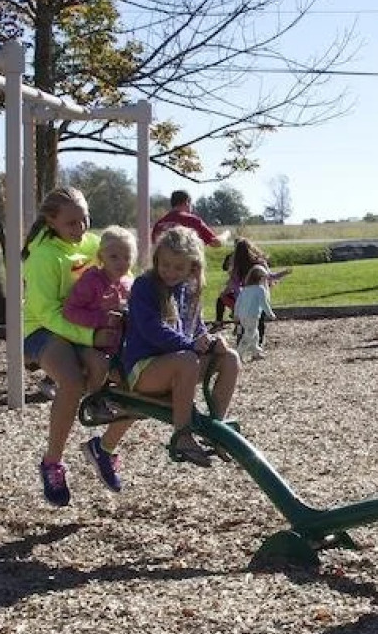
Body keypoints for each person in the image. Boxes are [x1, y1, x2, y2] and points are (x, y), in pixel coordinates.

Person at [23, 187, 134, 506]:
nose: (81, 228)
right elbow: (48, 313)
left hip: (87, 324)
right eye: (72, 223)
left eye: (85, 219)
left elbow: (121, 270)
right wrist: (91, 337)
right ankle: (52, 463)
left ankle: (104, 447)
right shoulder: (43, 256)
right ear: (51, 221)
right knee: (71, 381)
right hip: (45, 329)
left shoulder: (91, 243)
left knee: (133, 373)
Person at [115, 225, 241, 467]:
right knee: (186, 359)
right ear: (157, 259)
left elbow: (196, 326)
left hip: (180, 363)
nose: (170, 272)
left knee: (230, 358)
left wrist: (211, 341)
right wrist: (192, 345)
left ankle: (216, 427)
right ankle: (182, 435)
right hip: (143, 369)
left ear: (193, 267)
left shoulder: (190, 289)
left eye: (179, 267)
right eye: (165, 265)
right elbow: (152, 330)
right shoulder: (144, 286)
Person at [62, 226, 136, 387]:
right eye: (114, 257)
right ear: (101, 256)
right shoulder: (92, 281)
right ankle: (94, 399)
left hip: (120, 344)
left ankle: (125, 404)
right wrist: (101, 319)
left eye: (126, 257)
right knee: (100, 364)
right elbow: (70, 311)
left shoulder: (129, 283)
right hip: (92, 341)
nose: (121, 262)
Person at [215, 237, 289, 334]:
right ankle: (258, 342)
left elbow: (233, 285)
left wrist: (228, 295)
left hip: (244, 297)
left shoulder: (237, 267)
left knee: (244, 320)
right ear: (252, 248)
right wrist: (283, 273)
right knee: (259, 319)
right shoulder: (260, 263)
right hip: (258, 295)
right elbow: (270, 276)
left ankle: (240, 338)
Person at [150, 190, 225, 249]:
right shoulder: (193, 220)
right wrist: (225, 235)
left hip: (163, 267)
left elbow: (154, 247)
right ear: (187, 202)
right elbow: (215, 243)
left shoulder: (159, 224)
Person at [232, 264, 276, 362]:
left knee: (255, 334)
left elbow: (238, 302)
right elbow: (264, 304)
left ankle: (256, 352)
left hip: (243, 316)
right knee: (249, 335)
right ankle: (238, 354)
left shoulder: (245, 289)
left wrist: (236, 314)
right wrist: (270, 314)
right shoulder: (260, 289)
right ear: (260, 278)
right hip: (252, 316)